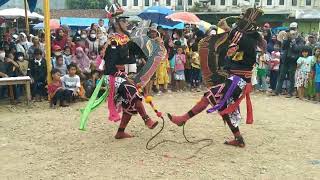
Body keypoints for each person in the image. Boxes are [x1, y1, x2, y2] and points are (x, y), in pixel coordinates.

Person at [168, 7, 264, 147]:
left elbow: (237, 36)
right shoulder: (241, 41)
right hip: (234, 79)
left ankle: (183, 118)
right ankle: (238, 139)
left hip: (240, 81)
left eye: (241, 22)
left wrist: (226, 28)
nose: (238, 24)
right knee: (222, 106)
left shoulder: (248, 41)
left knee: (210, 96)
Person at [104, 15, 159, 139]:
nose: (126, 23)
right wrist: (122, 75)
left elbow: (138, 52)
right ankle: (147, 119)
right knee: (133, 92)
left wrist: (153, 43)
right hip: (112, 76)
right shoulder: (113, 40)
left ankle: (120, 132)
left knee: (128, 104)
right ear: (116, 24)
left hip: (121, 75)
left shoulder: (126, 39)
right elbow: (110, 64)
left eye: (126, 20)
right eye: (123, 21)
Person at [273, 22, 305, 98]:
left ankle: (290, 93)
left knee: (291, 77)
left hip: (293, 60)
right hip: (286, 59)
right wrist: (286, 39)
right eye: (291, 29)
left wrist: (293, 41)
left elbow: (298, 49)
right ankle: (277, 91)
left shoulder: (300, 39)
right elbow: (283, 47)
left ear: (297, 29)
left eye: (294, 29)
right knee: (281, 76)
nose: (292, 30)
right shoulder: (287, 36)